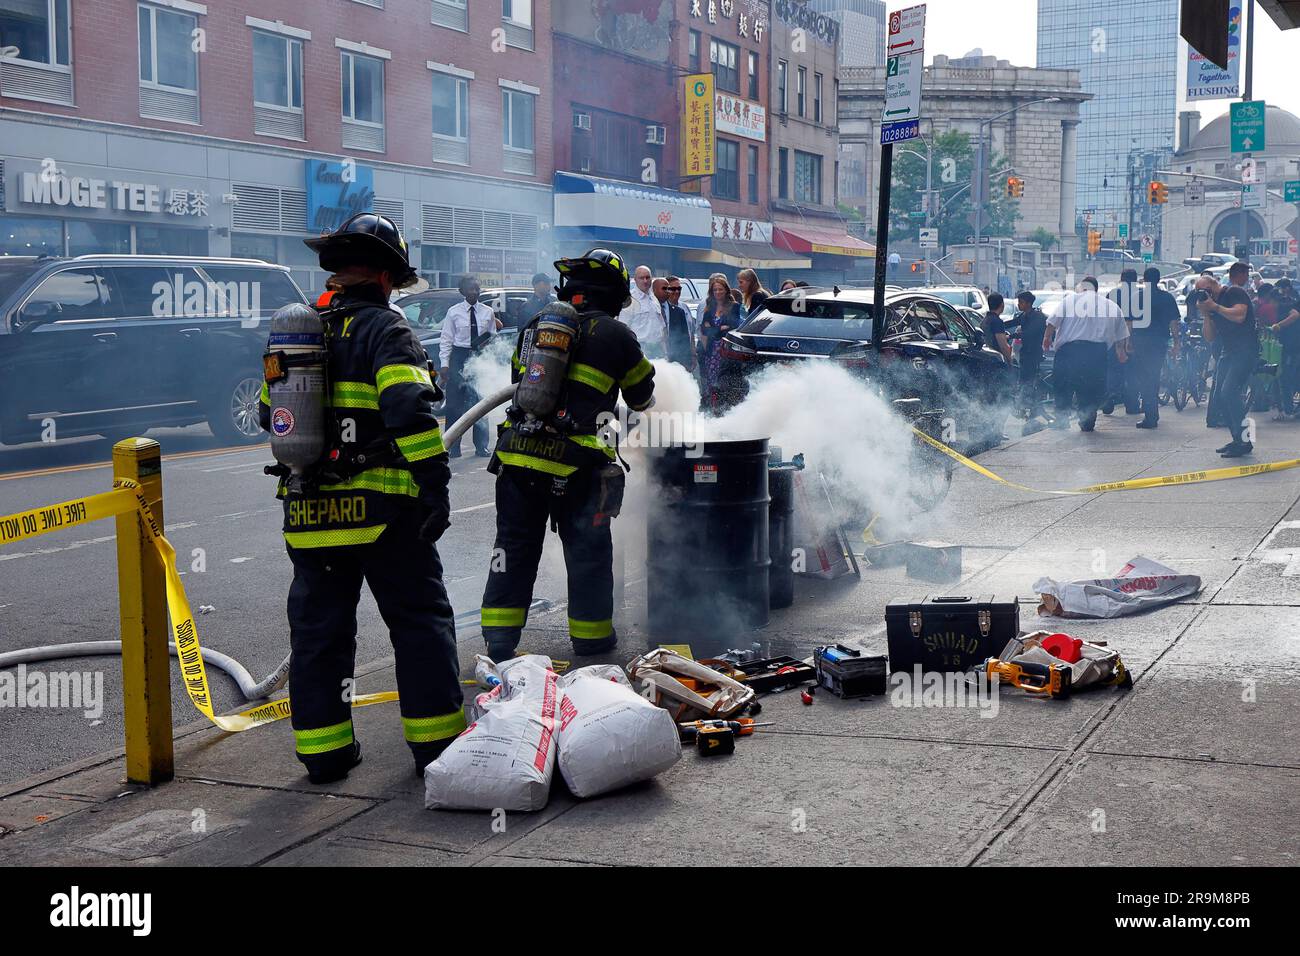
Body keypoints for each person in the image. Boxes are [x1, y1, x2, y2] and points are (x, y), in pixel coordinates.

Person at [259, 212, 461, 784]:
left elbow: (267, 416)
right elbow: (407, 412)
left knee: (319, 634)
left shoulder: (298, 331)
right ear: (384, 275)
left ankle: (324, 754)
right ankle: (437, 746)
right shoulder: (387, 330)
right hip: (383, 514)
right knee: (420, 623)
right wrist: (435, 484)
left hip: (308, 511)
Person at [480, 249, 655, 660]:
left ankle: (500, 641)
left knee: (513, 549)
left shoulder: (536, 327)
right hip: (574, 466)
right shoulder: (615, 334)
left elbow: (517, 383)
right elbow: (642, 396)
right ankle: (592, 640)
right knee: (588, 553)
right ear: (614, 295)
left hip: (518, 459)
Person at [1043, 276, 1129, 432]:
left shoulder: (1070, 300)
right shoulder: (1111, 306)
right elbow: (1121, 334)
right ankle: (1088, 420)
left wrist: (1046, 338)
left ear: (1082, 288)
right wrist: (1120, 351)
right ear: (1096, 289)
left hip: (1069, 351)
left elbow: (1052, 322)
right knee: (1091, 387)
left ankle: (1062, 419)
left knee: (1063, 385)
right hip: (1096, 353)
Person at [1197, 262, 1258, 457]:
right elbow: (1209, 337)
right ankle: (1237, 439)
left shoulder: (1233, 293)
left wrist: (1215, 306)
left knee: (1229, 392)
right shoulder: (1212, 304)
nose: (1205, 295)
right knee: (1219, 397)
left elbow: (1240, 315)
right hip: (1228, 352)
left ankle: (1245, 441)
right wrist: (1207, 314)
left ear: (1213, 285)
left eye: (1205, 291)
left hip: (1245, 351)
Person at [439, 276, 501, 458]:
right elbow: (446, 339)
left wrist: (487, 345)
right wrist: (445, 365)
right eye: (470, 289)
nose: (474, 292)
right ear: (462, 291)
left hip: (479, 357)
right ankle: (452, 446)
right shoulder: (453, 312)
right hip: (459, 357)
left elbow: (493, 335)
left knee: (480, 402)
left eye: (476, 289)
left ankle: (481, 446)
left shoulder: (487, 311)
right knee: (454, 404)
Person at [1122, 266, 1181, 429]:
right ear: (1159, 279)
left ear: (1144, 280)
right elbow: (1174, 322)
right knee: (1153, 376)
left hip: (1141, 341)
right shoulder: (1167, 298)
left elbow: (1129, 323)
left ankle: (1151, 416)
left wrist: (1128, 342)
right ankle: (1152, 414)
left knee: (1144, 378)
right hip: (1159, 342)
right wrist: (1176, 342)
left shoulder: (1137, 297)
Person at [698, 273, 741, 409]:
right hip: (711, 351)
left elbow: (732, 327)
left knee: (722, 380)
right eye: (715, 290)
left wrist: (713, 329)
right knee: (710, 381)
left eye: (720, 289)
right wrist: (719, 328)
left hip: (724, 350)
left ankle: (723, 406)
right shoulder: (709, 307)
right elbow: (704, 329)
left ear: (726, 290)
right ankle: (712, 406)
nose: (717, 292)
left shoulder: (734, 306)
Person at [1105, 268, 1142, 415]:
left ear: (1121, 279)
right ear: (1135, 279)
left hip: (1113, 338)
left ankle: (1108, 401)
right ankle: (1132, 405)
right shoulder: (1140, 295)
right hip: (1135, 339)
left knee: (1112, 370)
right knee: (1132, 373)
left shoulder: (1112, 294)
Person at [1010, 290, 1047, 419]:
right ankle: (1026, 405)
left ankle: (1033, 408)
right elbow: (1012, 322)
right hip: (1025, 352)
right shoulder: (1023, 316)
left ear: (1028, 303)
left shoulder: (1038, 317)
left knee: (1030, 382)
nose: (1019, 304)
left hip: (1034, 353)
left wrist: (1012, 335)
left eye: (1021, 302)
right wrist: (997, 325)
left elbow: (1030, 333)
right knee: (1024, 380)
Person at [619, 264, 665, 358]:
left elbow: (661, 327)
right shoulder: (630, 300)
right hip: (640, 349)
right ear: (635, 280)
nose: (645, 281)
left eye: (648, 277)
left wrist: (665, 351)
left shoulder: (653, 298)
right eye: (641, 278)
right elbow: (622, 330)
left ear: (652, 279)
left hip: (657, 349)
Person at [663, 275, 698, 372]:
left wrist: (693, 355)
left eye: (679, 288)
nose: (677, 292)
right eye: (673, 289)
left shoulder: (685, 307)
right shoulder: (662, 309)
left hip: (685, 356)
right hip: (670, 356)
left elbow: (691, 333)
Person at [981, 292, 1013, 364]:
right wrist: (1010, 361)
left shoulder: (985, 320)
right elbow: (1003, 346)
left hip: (986, 357)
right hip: (998, 360)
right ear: (1002, 305)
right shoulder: (997, 322)